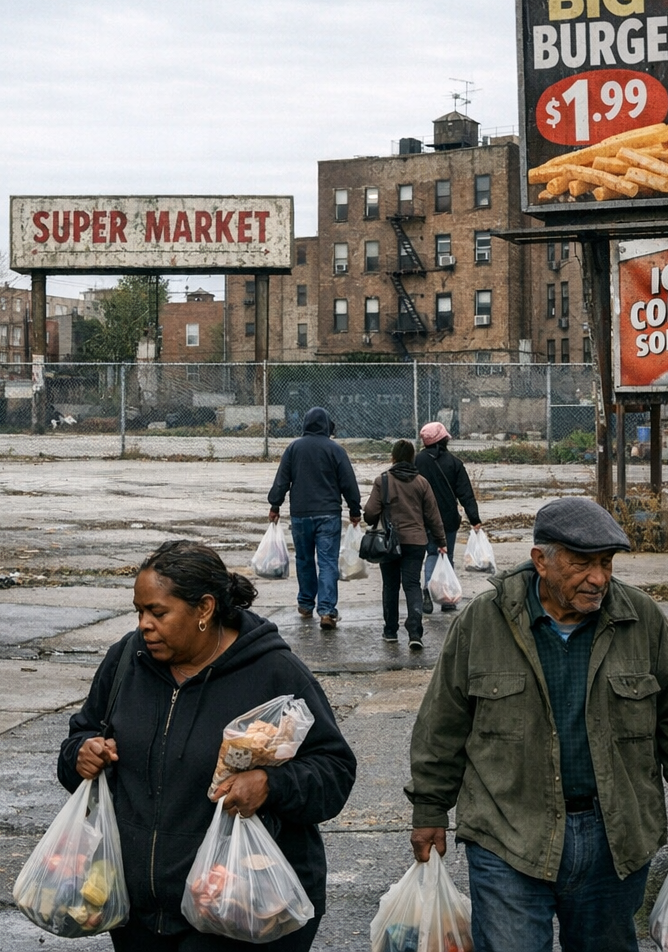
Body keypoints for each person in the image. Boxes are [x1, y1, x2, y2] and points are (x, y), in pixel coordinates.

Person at [405, 496, 668, 952]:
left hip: (614, 836)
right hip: (509, 831)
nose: (599, 578)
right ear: (541, 561)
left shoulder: (641, 619)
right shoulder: (485, 620)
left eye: (606, 564)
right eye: (582, 564)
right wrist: (430, 810)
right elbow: (442, 725)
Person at [61, 540, 356, 950]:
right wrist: (80, 754)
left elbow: (335, 771)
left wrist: (271, 786)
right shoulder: (127, 661)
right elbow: (80, 736)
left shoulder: (273, 672)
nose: (144, 624)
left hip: (240, 909)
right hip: (139, 915)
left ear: (204, 609)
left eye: (158, 612)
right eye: (140, 611)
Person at [267, 406, 361, 629]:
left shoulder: (294, 448)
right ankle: (327, 611)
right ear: (328, 425)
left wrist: (275, 505)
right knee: (327, 562)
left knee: (305, 559)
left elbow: (282, 480)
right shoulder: (335, 450)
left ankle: (306, 603)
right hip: (328, 513)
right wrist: (355, 510)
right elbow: (348, 482)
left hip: (301, 513)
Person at [362, 440, 446, 652]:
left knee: (390, 585)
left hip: (389, 544)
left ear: (393, 457)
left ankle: (390, 631)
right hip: (416, 542)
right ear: (412, 458)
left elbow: (370, 513)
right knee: (412, 585)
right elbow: (433, 516)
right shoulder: (421, 483)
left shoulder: (383, 481)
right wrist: (441, 541)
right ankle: (415, 631)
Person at [414, 421, 482, 613]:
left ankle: (427, 588)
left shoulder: (417, 461)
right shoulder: (454, 463)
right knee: (446, 555)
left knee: (431, 554)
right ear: (444, 440)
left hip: (423, 518)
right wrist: (474, 519)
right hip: (448, 519)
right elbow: (465, 493)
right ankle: (446, 598)